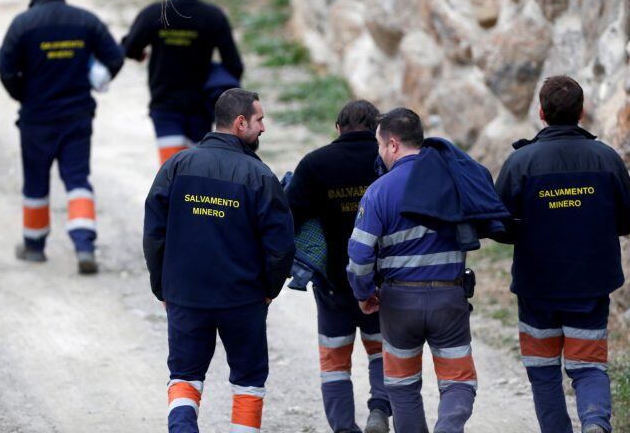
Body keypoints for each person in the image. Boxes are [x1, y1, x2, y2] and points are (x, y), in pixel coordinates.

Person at [143, 88, 294, 433]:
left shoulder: (177, 166)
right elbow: (280, 245)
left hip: (185, 296)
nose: (263, 128)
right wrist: (269, 290)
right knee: (248, 382)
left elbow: (154, 234)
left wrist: (163, 287)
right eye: (259, 120)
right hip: (242, 299)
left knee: (184, 376)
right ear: (240, 123)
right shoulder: (260, 177)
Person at [495, 75, 630, 433]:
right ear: (582, 112)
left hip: (536, 287)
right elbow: (626, 219)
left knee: (543, 372)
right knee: (589, 367)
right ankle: (596, 423)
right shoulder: (607, 159)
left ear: (541, 112)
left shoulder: (519, 162)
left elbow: (499, 225)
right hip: (590, 284)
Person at [348, 108, 479, 433]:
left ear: (393, 145)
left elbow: (360, 255)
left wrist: (364, 293)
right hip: (449, 298)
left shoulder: (379, 190)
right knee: (459, 382)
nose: (380, 153)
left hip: (398, 303)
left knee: (403, 387)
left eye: (380, 145)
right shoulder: (453, 178)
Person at [0, 0, 124, 274]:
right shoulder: (86, 21)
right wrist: (97, 79)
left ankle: (34, 246)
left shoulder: (23, 24)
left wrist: (23, 94)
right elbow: (115, 57)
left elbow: (5, 70)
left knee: (36, 182)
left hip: (36, 118)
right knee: (78, 180)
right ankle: (84, 246)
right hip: (77, 116)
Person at [286, 100, 391, 433]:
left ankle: (345, 428)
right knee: (381, 352)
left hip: (333, 283)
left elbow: (288, 218)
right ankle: (379, 409)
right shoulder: (388, 162)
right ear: (377, 128)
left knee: (334, 362)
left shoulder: (315, 164)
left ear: (337, 128)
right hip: (380, 281)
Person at [123, 0, 243, 165]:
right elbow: (234, 65)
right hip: (200, 106)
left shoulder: (154, 14)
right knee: (193, 172)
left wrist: (139, 55)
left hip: (165, 105)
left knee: (171, 171)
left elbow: (129, 47)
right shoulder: (213, 17)